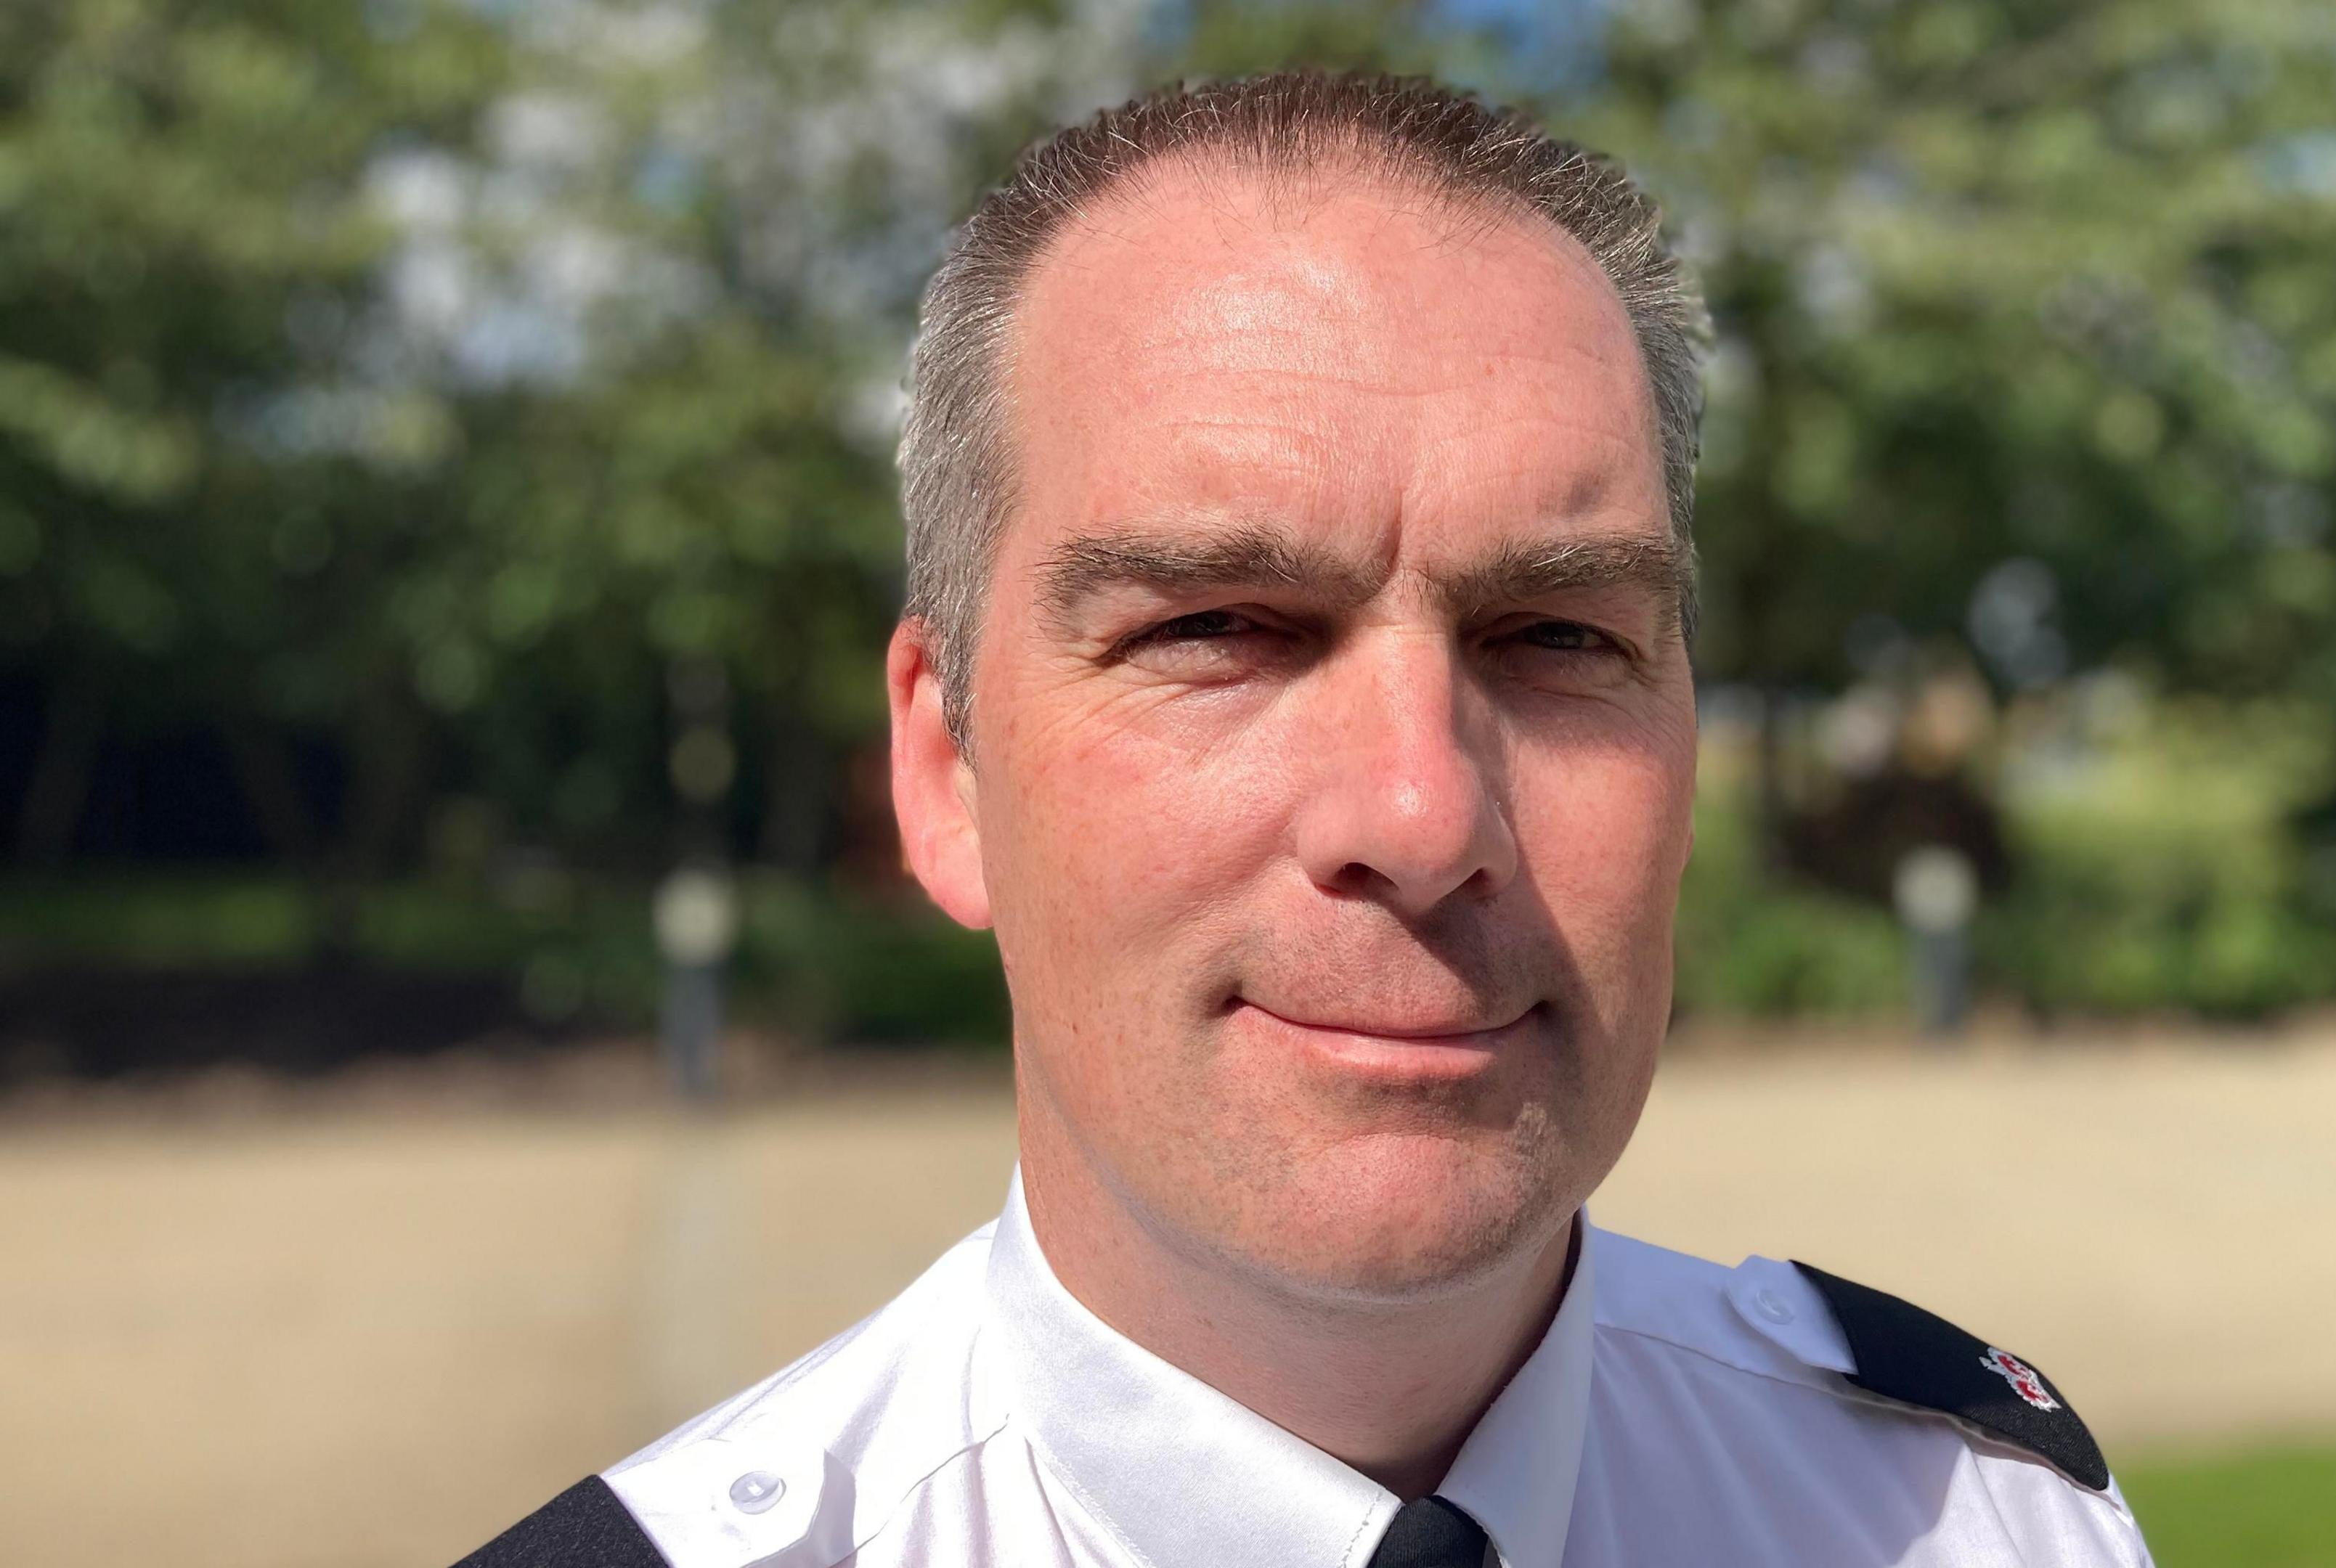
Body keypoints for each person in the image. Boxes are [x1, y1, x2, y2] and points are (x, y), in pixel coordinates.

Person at [458, 70, 2152, 1568]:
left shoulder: (1979, 1522)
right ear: (945, 772)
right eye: (1219, 629)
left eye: (1559, 639)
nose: (1423, 814)